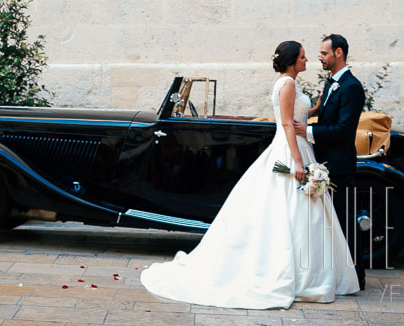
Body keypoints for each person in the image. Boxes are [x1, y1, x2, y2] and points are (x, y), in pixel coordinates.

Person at [140, 41, 359, 308]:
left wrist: (314, 110)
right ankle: (302, 275)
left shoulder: (287, 82)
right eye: (302, 57)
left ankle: (306, 273)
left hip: (293, 145)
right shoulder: (288, 84)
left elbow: (292, 114)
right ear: (292, 61)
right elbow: (288, 123)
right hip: (291, 149)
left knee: (293, 210)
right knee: (291, 209)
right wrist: (299, 162)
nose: (307, 60)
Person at [294, 34, 366, 290]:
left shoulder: (351, 87)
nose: (319, 58)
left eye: (323, 53)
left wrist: (307, 131)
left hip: (340, 165)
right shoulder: (331, 84)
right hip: (325, 163)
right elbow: (328, 121)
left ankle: (357, 274)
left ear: (338, 53)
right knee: (332, 222)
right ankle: (336, 272)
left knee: (346, 220)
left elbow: (344, 130)